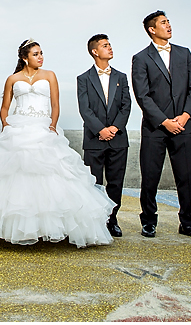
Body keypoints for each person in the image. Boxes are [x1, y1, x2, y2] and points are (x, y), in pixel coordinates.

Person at [0, 39, 115, 248]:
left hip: (43, 128)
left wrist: (52, 125)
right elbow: (4, 107)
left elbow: (56, 104)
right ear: (24, 57)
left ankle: (48, 227)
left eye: (41, 53)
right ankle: (7, 227)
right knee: (8, 177)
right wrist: (5, 124)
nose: (40, 57)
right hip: (16, 128)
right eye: (35, 54)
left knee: (50, 175)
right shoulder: (13, 79)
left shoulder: (49, 75)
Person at [131, 10, 191, 239]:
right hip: (155, 128)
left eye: (169, 21)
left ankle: (189, 223)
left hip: (183, 126)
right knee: (150, 176)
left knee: (186, 177)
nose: (169, 25)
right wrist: (164, 121)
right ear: (152, 29)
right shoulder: (141, 58)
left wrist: (185, 116)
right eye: (163, 23)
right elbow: (142, 95)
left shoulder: (184, 54)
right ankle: (149, 221)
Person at [77, 34, 132, 237]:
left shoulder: (121, 77)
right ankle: (95, 221)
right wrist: (100, 130)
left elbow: (126, 106)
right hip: (94, 139)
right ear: (94, 51)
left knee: (116, 182)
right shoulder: (83, 79)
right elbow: (85, 109)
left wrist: (114, 128)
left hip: (118, 139)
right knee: (94, 182)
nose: (110, 48)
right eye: (105, 45)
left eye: (110, 45)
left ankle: (112, 220)